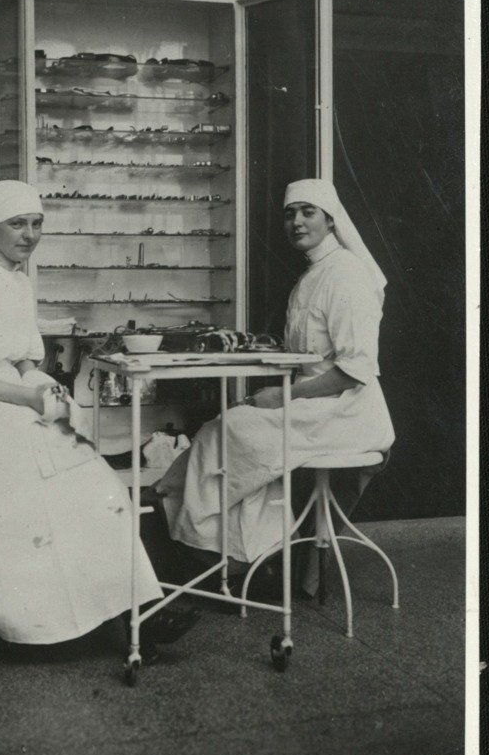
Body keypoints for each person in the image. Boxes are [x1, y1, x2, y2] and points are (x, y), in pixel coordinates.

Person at [0, 179, 198, 659]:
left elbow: (26, 358)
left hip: (5, 396)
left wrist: (44, 386)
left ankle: (135, 611)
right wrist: (27, 401)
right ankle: (43, 623)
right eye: (17, 224)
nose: (29, 235)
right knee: (43, 476)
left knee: (93, 479)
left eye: (36, 224)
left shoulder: (17, 279)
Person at [156, 178, 395, 584]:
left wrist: (284, 395)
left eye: (307, 212)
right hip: (315, 405)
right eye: (289, 214)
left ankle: (205, 548)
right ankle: (230, 550)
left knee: (232, 430)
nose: (297, 222)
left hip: (347, 411)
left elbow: (355, 369)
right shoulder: (313, 275)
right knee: (227, 427)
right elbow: (305, 351)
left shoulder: (347, 275)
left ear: (331, 220)